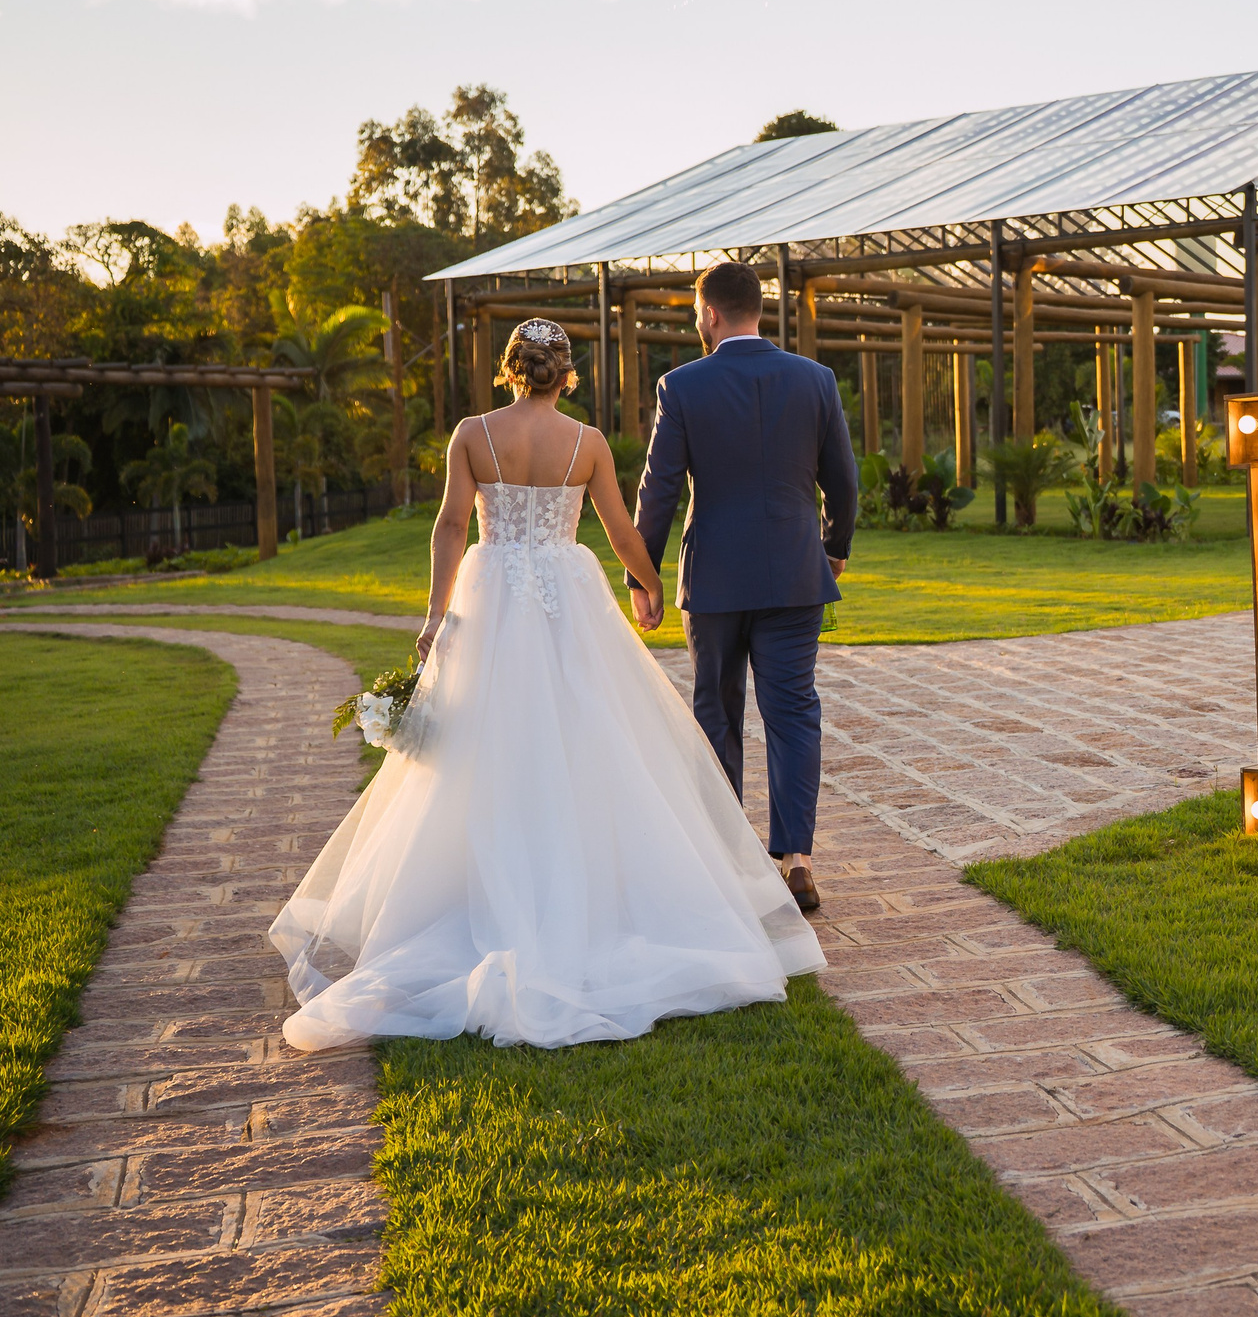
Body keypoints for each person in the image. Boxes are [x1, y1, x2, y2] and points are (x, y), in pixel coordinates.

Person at [269, 317, 825, 1052]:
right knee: (590, 739)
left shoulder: (472, 432)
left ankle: (480, 895)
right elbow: (621, 529)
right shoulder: (587, 442)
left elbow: (450, 525)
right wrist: (648, 582)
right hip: (568, 594)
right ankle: (590, 893)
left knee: (484, 750)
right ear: (566, 375)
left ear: (510, 370)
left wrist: (436, 612)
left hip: (491, 592)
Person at [628, 260, 859, 914]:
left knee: (717, 713)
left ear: (709, 314)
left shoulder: (681, 385)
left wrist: (641, 577)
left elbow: (660, 489)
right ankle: (797, 859)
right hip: (795, 571)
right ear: (758, 307)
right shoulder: (816, 379)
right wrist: (833, 546)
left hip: (716, 581)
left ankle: (729, 863)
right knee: (792, 711)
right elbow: (842, 478)